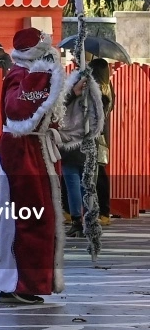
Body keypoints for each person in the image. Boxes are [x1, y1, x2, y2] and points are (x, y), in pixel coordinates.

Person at [0, 28, 68, 305]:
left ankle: (28, 282)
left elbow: (47, 114)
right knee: (24, 218)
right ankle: (16, 283)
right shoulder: (21, 75)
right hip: (21, 154)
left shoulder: (31, 74)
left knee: (38, 217)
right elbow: (17, 112)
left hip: (35, 151)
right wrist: (42, 79)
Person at [58, 66, 104, 238]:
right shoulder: (96, 95)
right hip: (88, 142)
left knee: (73, 185)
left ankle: (77, 221)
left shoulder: (67, 94)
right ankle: (90, 220)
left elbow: (58, 109)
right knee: (88, 186)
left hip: (70, 143)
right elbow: (100, 117)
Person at [89, 58, 114, 227]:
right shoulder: (108, 87)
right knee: (99, 173)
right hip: (103, 135)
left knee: (97, 175)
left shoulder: (95, 88)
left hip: (93, 134)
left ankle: (102, 211)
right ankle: (104, 212)